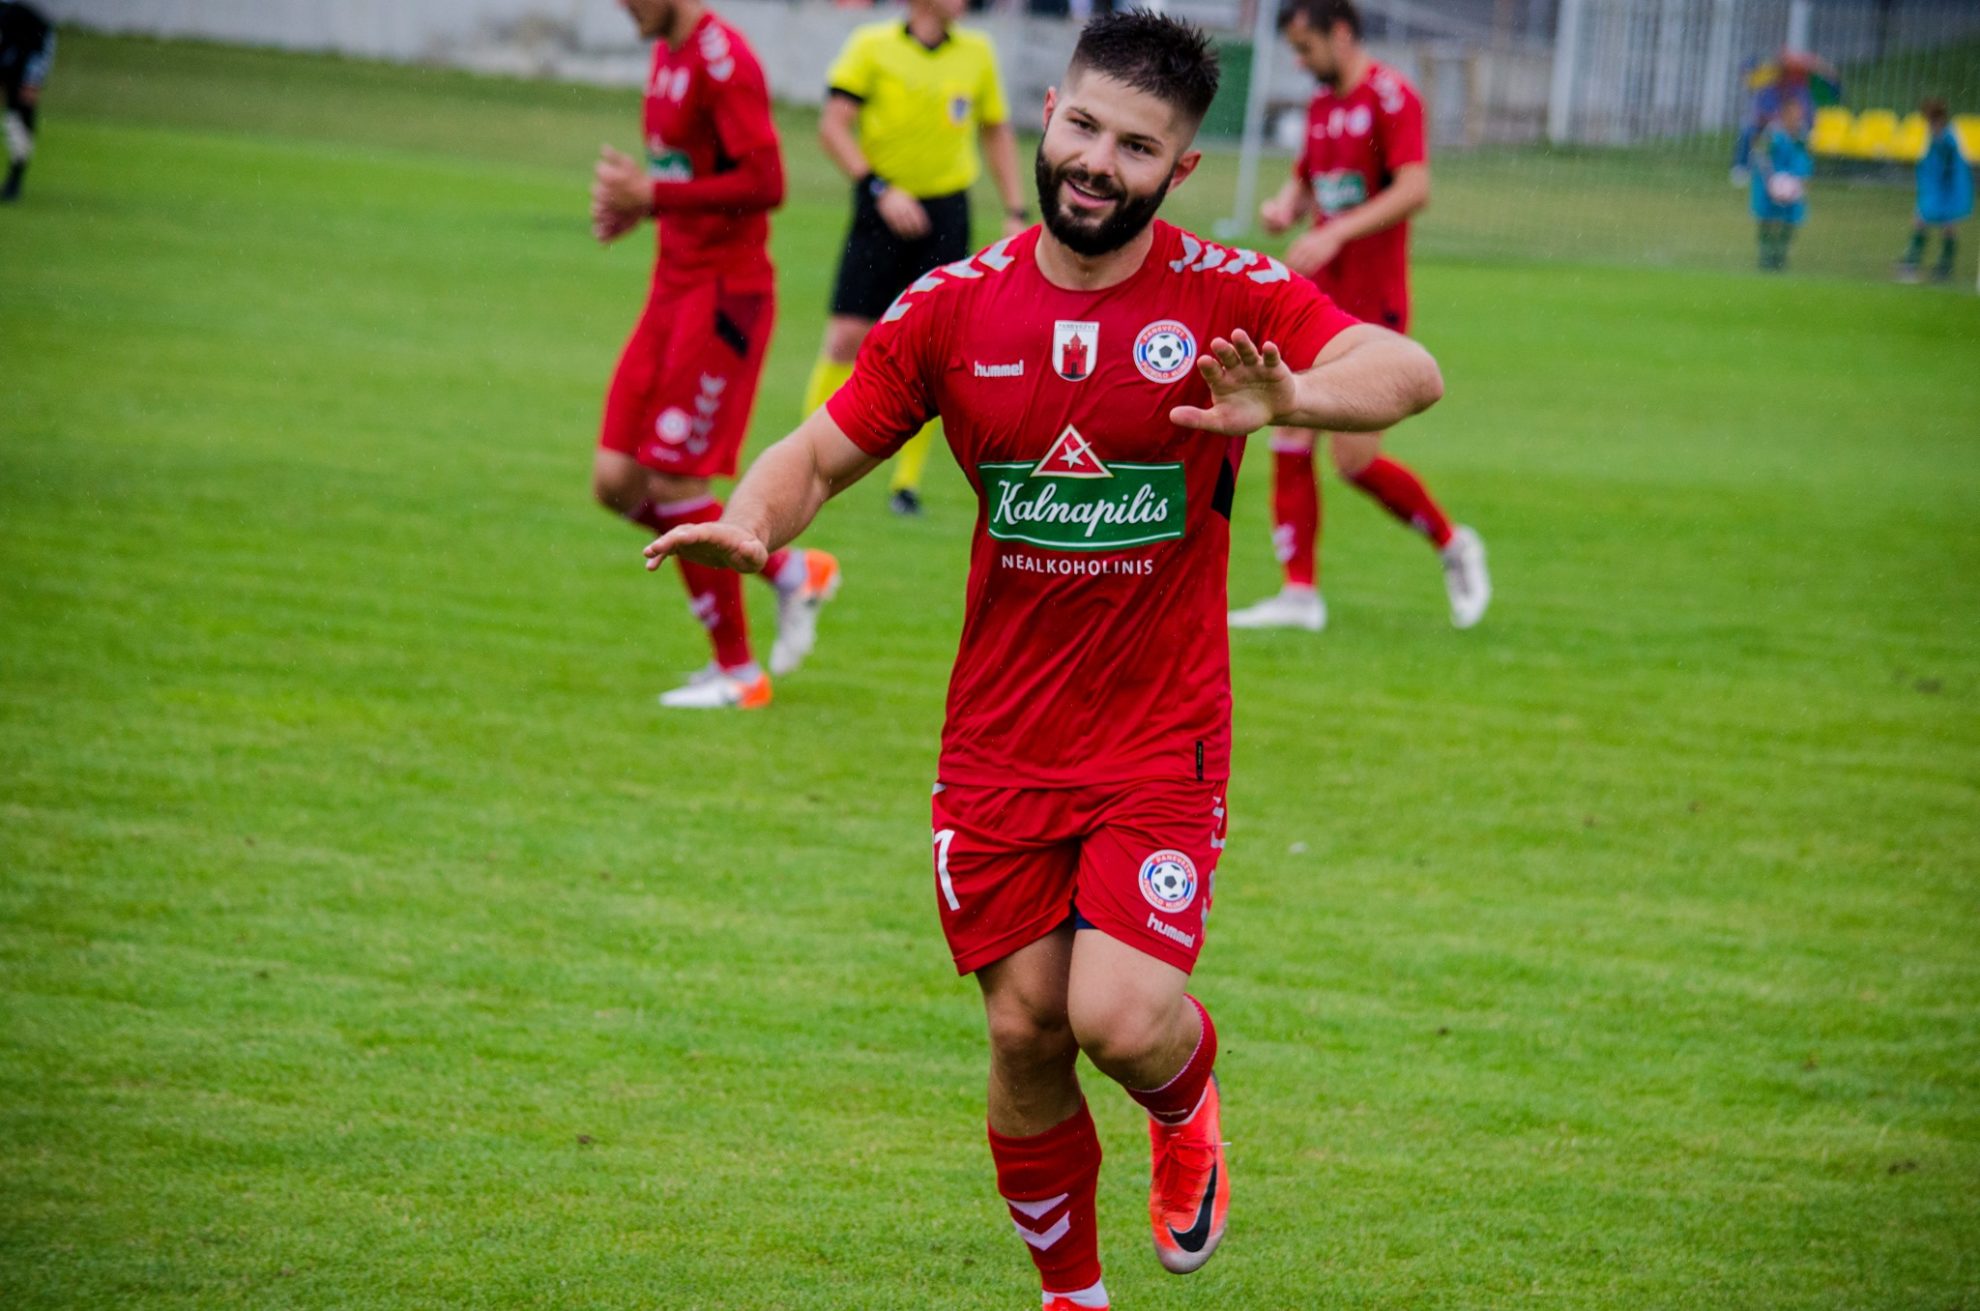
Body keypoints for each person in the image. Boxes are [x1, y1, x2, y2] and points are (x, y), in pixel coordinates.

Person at [642, 13, 1444, 1306]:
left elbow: (1407, 367)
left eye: (1136, 146)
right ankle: (1072, 1294)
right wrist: (752, 518)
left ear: (1178, 170)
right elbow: (815, 453)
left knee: (1117, 1016)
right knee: (1023, 1029)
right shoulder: (955, 308)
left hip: (1158, 733)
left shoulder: (1223, 298)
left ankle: (1187, 1100)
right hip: (1001, 742)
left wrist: (1291, 397)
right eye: (1081, 125)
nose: (1095, 161)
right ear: (1051, 116)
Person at [589, 0, 840, 710]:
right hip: (669, 288)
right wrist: (644, 204)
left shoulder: (723, 61)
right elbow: (692, 172)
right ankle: (791, 572)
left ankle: (738, 671)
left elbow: (768, 186)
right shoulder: (666, 49)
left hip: (724, 297)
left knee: (674, 478)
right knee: (615, 479)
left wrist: (655, 191)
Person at [1227, 0, 1487, 633]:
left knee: (1354, 460)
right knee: (1288, 432)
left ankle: (1454, 544)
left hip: (1373, 302)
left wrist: (1338, 232)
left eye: (1306, 46)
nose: (1300, 59)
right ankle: (1299, 594)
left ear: (1340, 35)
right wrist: (1287, 205)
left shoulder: (1392, 99)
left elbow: (1414, 188)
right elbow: (1308, 179)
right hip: (1320, 299)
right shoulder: (1320, 106)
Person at [804, 0, 1028, 516]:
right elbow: (833, 125)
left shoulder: (978, 52)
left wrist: (1015, 208)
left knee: (931, 348)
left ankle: (903, 485)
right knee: (846, 336)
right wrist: (879, 188)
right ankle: (811, 461)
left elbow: (995, 129)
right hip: (880, 204)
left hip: (946, 214)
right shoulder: (870, 45)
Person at [1896, 98, 1973, 285]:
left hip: (1948, 187)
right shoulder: (1933, 135)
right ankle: (1913, 261)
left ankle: (1942, 265)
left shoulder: (1950, 136)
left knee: (1947, 224)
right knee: (1921, 218)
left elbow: (1955, 164)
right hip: (1935, 186)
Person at [1751, 97, 1812, 273]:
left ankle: (1780, 256)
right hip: (1769, 181)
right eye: (1794, 112)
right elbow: (1761, 156)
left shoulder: (1802, 134)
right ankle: (1765, 255)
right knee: (1767, 217)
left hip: (1793, 181)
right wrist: (1771, 179)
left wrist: (1802, 178)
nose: (1798, 116)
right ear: (1785, 113)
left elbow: (1805, 158)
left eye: (1800, 112)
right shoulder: (1773, 133)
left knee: (1791, 218)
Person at [1, 0, 53, 202]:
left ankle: (15, 178)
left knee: (20, 115)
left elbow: (41, 46)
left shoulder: (21, 19)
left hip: (27, 59)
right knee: (15, 116)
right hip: (15, 58)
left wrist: (33, 79)